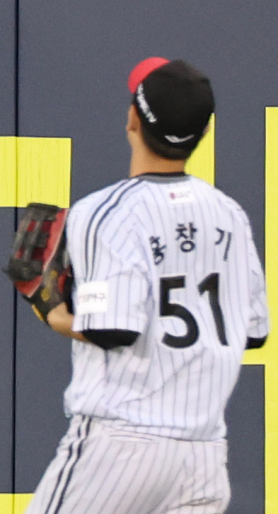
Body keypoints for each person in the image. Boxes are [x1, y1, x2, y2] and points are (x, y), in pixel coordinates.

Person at [23, 57, 268, 514]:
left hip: (120, 448)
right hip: (203, 456)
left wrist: (54, 313)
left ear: (133, 119)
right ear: (203, 131)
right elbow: (254, 332)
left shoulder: (105, 211)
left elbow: (113, 329)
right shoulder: (230, 214)